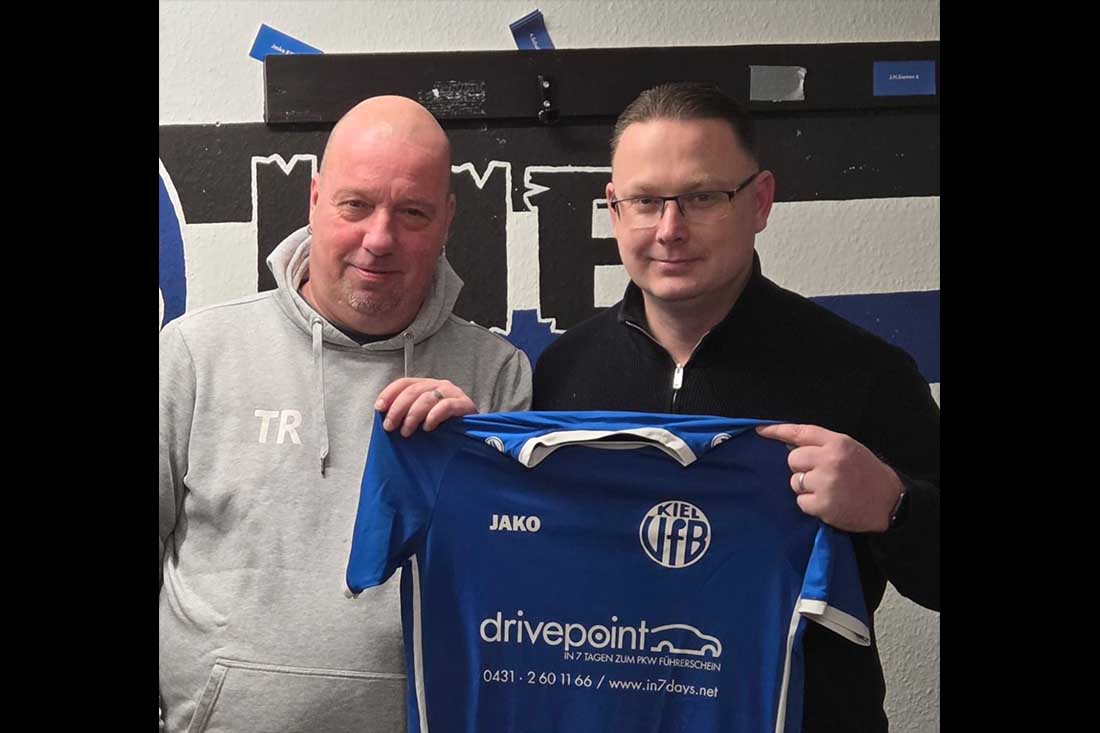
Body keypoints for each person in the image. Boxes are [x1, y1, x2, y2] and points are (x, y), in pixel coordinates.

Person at [531, 81, 939, 731]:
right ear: (614, 210)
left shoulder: (867, 373)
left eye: (702, 197)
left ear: (760, 201)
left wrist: (893, 505)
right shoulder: (559, 372)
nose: (670, 230)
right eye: (645, 201)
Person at [158, 95, 532, 732]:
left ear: (446, 219)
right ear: (314, 200)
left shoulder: (497, 375)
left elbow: (515, 596)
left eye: (411, 212)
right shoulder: (195, 353)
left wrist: (475, 466)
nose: (379, 239)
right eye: (355, 205)